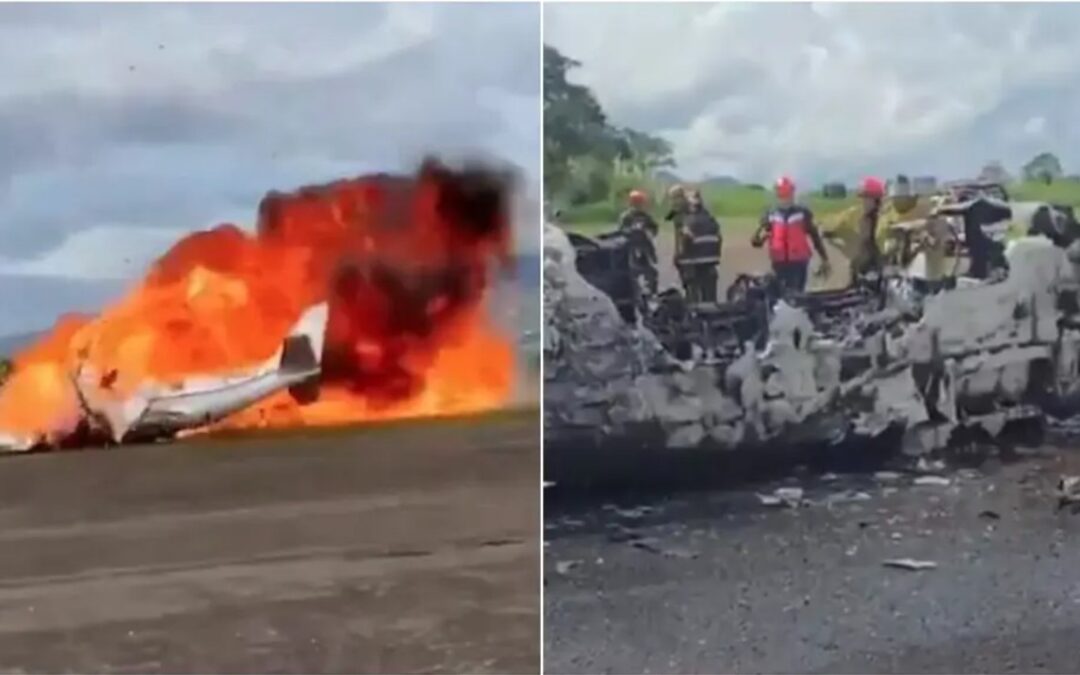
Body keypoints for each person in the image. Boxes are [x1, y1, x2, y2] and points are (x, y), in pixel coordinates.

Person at [752, 176, 831, 293]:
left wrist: (824, 258)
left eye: (787, 195)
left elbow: (815, 237)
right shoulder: (771, 215)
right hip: (779, 263)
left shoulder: (802, 213)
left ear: (792, 195)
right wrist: (760, 239)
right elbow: (757, 240)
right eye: (781, 195)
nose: (784, 199)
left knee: (796, 295)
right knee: (779, 295)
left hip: (798, 263)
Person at [678, 189, 723, 303]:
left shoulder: (687, 220)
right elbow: (719, 238)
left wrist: (680, 257)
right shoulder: (711, 219)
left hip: (693, 260)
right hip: (711, 259)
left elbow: (685, 239)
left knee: (692, 290)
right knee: (710, 294)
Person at [617, 189, 660, 294]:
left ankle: (651, 292)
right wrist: (631, 232)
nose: (639, 206)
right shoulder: (626, 217)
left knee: (651, 272)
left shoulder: (645, 216)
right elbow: (621, 231)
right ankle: (634, 292)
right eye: (637, 203)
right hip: (631, 247)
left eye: (640, 203)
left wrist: (649, 233)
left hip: (645, 247)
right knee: (632, 272)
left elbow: (654, 228)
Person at [848, 176, 886, 285]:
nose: (863, 202)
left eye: (866, 198)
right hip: (861, 269)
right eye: (862, 198)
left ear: (876, 199)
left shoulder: (882, 219)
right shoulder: (862, 218)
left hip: (875, 269)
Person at [665, 184, 691, 291]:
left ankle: (686, 282)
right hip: (682, 234)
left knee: (679, 259)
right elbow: (669, 217)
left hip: (683, 234)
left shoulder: (680, 205)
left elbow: (668, 217)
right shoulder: (687, 204)